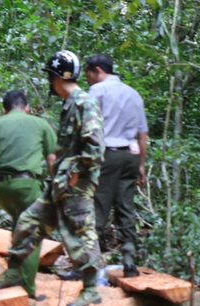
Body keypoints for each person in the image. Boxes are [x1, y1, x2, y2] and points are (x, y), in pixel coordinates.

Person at [0, 50, 105, 306]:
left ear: (58, 77)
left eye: (50, 77)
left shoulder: (85, 103)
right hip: (60, 183)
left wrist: (73, 172)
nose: (49, 83)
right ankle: (14, 271)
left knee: (80, 233)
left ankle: (91, 289)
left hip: (77, 184)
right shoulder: (69, 104)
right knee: (28, 221)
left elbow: (95, 148)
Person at [0, 90, 57, 300]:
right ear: (27, 108)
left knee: (19, 224)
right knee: (33, 231)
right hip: (26, 185)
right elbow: (52, 157)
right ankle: (28, 287)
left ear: (4, 110)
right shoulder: (41, 124)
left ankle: (13, 272)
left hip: (1, 189)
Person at [83, 54, 148, 279]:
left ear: (98, 70)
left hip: (107, 155)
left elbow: (88, 129)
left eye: (88, 74)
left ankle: (87, 264)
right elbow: (143, 134)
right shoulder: (133, 94)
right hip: (130, 156)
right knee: (125, 206)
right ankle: (129, 260)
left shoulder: (97, 92)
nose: (88, 80)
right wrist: (140, 164)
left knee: (99, 205)